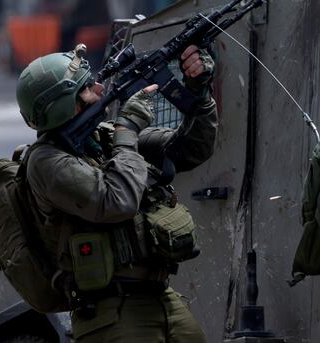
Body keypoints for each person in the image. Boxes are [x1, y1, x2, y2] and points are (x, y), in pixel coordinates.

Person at [16, 43, 217, 342]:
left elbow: (191, 149)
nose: (99, 88)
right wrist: (128, 130)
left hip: (161, 296)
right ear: (63, 105)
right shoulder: (46, 162)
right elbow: (117, 201)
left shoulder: (103, 137)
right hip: (111, 313)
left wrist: (199, 94)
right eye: (86, 88)